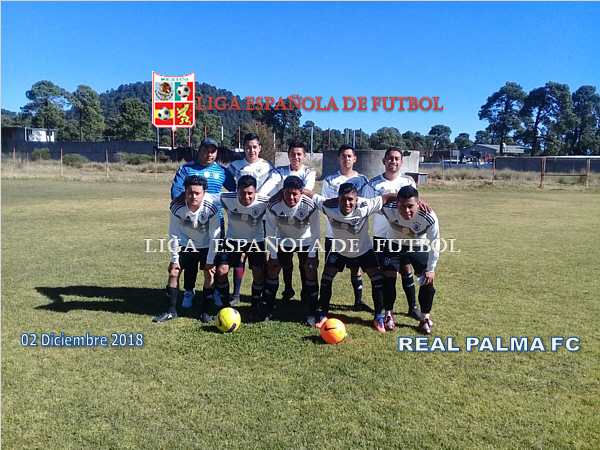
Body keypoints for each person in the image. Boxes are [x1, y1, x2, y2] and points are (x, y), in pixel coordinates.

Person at [304, 183, 397, 333]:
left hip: (363, 250)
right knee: (326, 279)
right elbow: (309, 193)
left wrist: (417, 201)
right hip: (339, 250)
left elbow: (387, 197)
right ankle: (324, 313)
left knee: (377, 280)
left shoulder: (365, 206)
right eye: (343, 199)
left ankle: (378, 316)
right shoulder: (328, 206)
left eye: (350, 199)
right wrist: (281, 193)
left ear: (356, 199)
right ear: (338, 198)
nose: (347, 203)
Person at [170, 137, 235, 308]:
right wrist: (179, 199)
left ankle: (215, 291)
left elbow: (235, 191)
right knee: (190, 260)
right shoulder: (186, 168)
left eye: (213, 151)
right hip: (190, 221)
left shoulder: (222, 171)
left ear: (217, 153)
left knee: (214, 260)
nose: (209, 154)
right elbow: (176, 189)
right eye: (205, 150)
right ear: (199, 150)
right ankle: (188, 291)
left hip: (215, 221)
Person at [153, 175, 221, 323]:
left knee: (210, 274)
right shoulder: (177, 207)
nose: (193, 196)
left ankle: (205, 312)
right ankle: (171, 311)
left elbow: (215, 236)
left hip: (206, 245)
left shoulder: (211, 208)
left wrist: (210, 261)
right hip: (186, 245)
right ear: (185, 192)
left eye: (197, 193)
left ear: (204, 193)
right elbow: (174, 234)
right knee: (174, 272)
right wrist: (175, 260)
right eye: (190, 192)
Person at [366, 147, 423, 321]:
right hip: (381, 234)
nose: (393, 161)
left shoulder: (408, 182)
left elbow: (414, 206)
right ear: (384, 161)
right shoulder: (374, 184)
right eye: (390, 158)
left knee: (406, 268)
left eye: (397, 158)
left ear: (401, 162)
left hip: (402, 234)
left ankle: (412, 307)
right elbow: (368, 206)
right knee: (384, 271)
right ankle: (385, 307)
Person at [224, 133, 279, 303]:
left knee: (258, 257)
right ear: (244, 148)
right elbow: (227, 180)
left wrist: (260, 196)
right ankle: (236, 294)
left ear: (259, 148)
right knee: (240, 255)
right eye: (248, 147)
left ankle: (260, 294)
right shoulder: (236, 165)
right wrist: (237, 194)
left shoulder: (268, 166)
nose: (251, 150)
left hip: (260, 215)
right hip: (241, 213)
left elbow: (275, 182)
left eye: (254, 147)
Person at [379, 185, 440, 334]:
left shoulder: (429, 216)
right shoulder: (388, 208)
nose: (406, 211)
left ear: (418, 203)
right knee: (388, 278)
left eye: (410, 206)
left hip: (417, 246)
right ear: (397, 203)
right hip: (394, 245)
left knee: (426, 280)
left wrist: (431, 269)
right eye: (402, 206)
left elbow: (435, 243)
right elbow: (367, 204)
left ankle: (425, 319)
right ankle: (388, 315)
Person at [321, 144, 372, 313]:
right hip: (334, 234)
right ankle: (324, 303)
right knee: (330, 270)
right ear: (338, 158)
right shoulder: (330, 180)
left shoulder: (362, 180)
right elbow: (325, 203)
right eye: (343, 156)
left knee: (355, 268)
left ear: (354, 159)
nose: (346, 159)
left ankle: (358, 300)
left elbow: (365, 203)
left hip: (355, 233)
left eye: (349, 156)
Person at [264, 176, 320, 323]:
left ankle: (311, 312)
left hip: (305, 240)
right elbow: (270, 231)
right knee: (273, 270)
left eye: (295, 194)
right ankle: (269, 310)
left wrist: (312, 254)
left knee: (310, 270)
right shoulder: (273, 204)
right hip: (283, 239)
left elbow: (316, 232)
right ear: (282, 191)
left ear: (301, 192)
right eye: (287, 193)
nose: (291, 197)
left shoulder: (309, 205)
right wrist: (273, 255)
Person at [213, 175, 270, 321]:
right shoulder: (227, 198)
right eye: (242, 193)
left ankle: (254, 308)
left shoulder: (264, 201)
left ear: (255, 191)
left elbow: (281, 201)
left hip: (256, 240)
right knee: (221, 271)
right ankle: (225, 307)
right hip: (233, 239)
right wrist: (182, 196)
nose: (246, 197)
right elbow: (205, 197)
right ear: (237, 191)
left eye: (250, 193)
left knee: (258, 273)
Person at [274, 139, 317, 302]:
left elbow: (306, 190)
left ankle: (305, 291)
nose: (296, 157)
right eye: (292, 154)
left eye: (299, 154)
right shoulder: (280, 171)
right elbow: (272, 184)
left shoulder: (309, 171)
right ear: (288, 155)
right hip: (283, 225)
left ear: (304, 155)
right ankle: (288, 289)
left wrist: (284, 193)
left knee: (304, 263)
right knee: (285, 262)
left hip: (303, 223)